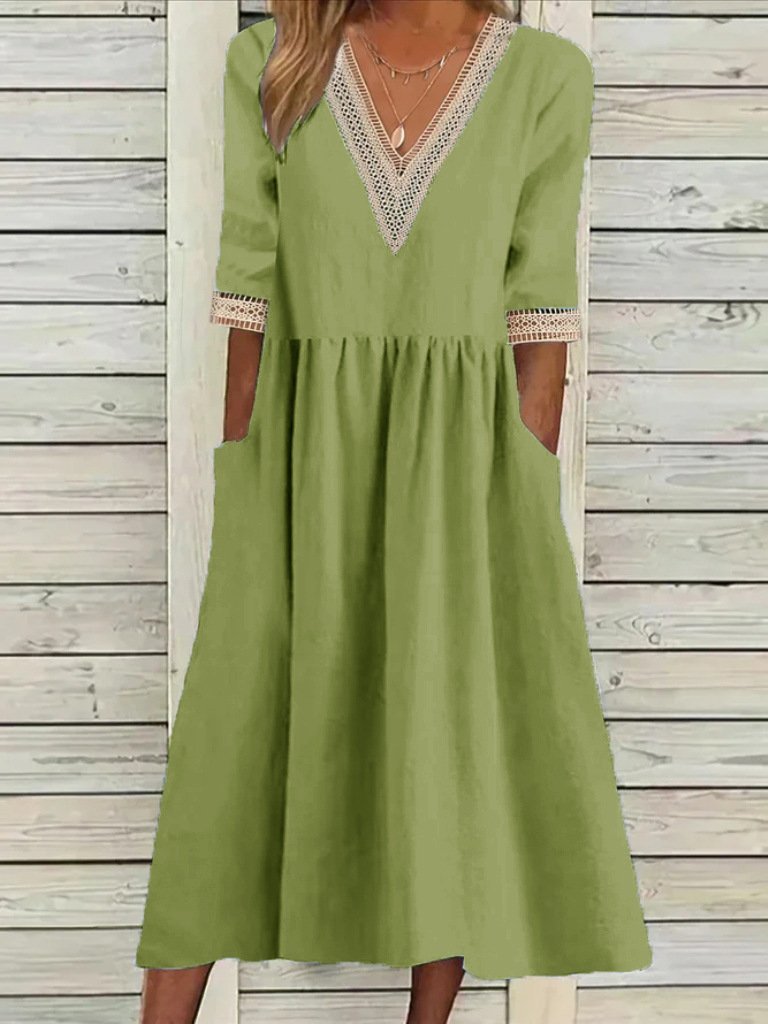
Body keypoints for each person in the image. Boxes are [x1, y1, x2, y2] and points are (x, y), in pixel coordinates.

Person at [136, 1, 652, 1021]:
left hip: (470, 472)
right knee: (229, 753)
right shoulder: (274, 61)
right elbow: (249, 297)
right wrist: (248, 484)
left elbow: (540, 309)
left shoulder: (544, 78)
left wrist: (517, 488)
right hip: (295, 463)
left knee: (442, 741)